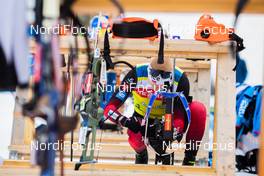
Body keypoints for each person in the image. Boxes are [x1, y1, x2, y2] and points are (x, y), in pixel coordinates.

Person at [103, 57, 206, 165]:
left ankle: (189, 158)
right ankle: (141, 155)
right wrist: (124, 120)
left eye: (165, 77)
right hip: (143, 118)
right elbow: (109, 108)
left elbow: (180, 116)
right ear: (149, 71)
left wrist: (174, 131)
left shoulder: (180, 78)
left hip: (168, 119)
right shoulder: (136, 74)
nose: (158, 84)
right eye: (155, 76)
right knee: (134, 137)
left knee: (198, 109)